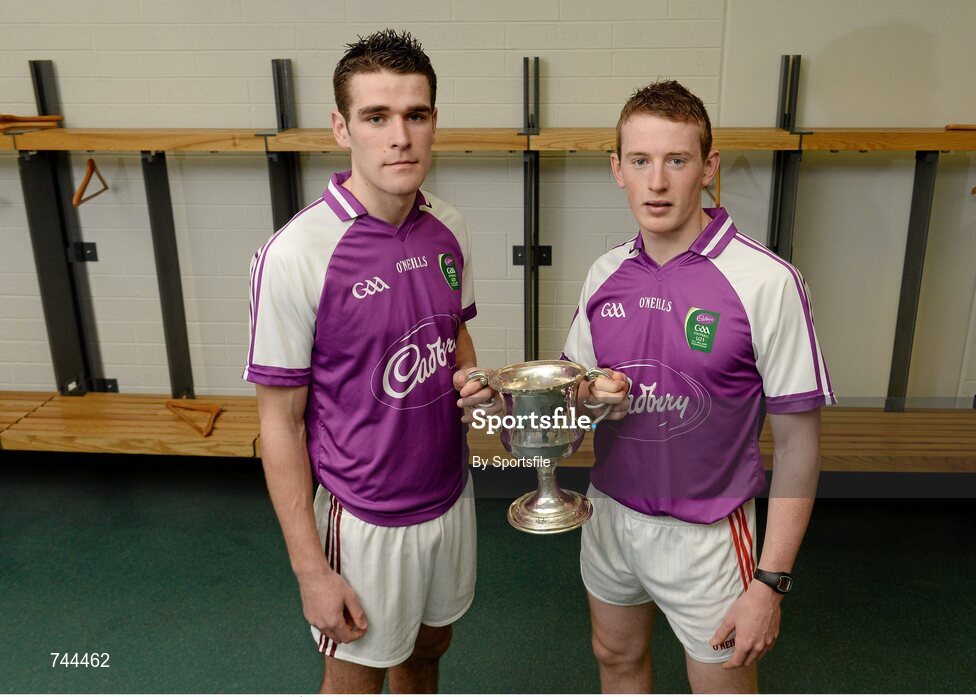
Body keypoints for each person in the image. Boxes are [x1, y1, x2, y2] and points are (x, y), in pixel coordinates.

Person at [562, 79, 836, 693]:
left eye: (676, 160)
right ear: (618, 169)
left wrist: (770, 581)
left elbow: (799, 445)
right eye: (640, 161)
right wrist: (586, 399)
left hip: (709, 534)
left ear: (708, 167)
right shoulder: (604, 273)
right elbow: (574, 396)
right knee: (614, 656)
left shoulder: (767, 281)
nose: (657, 182)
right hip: (608, 514)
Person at [244, 29, 495, 694]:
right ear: (341, 127)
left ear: (434, 122)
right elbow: (279, 423)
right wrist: (310, 570)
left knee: (428, 649)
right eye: (376, 117)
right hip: (362, 517)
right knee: (355, 674)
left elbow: (455, 342)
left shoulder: (452, 226)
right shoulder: (298, 254)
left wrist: (474, 383)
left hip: (448, 496)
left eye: (415, 115)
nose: (399, 137)